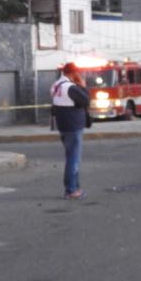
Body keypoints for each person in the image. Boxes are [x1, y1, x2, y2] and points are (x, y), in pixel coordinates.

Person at [51, 62, 91, 200]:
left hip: (63, 125)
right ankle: (71, 190)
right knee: (74, 159)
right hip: (73, 125)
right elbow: (86, 100)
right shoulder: (70, 87)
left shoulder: (56, 85)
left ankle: (75, 187)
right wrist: (82, 85)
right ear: (73, 73)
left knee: (71, 157)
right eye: (77, 73)